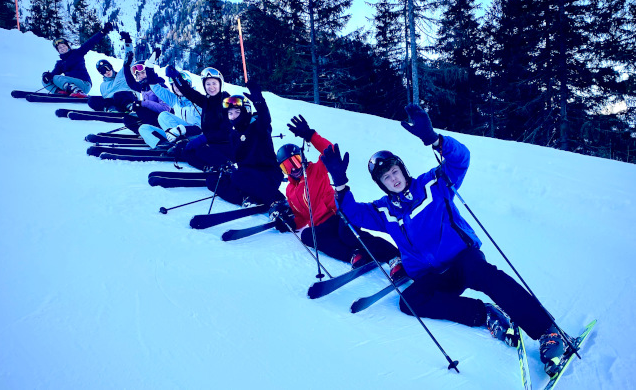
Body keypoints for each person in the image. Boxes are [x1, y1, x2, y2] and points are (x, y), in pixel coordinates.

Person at [321, 103, 567, 375]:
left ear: (402, 169)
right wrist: (340, 183)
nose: (393, 179)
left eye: (394, 172)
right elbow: (352, 214)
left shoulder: (433, 184)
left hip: (463, 259)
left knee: (484, 274)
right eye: (386, 178)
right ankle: (485, 314)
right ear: (381, 184)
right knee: (409, 301)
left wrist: (435, 140)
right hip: (433, 275)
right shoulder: (384, 211)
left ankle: (547, 332)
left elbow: (461, 160)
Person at [277, 115, 403, 272]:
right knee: (308, 236)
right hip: (321, 226)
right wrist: (290, 223)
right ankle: (354, 254)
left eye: (295, 162)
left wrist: (311, 136)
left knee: (347, 235)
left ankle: (394, 256)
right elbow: (302, 217)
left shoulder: (315, 170)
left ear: (302, 158)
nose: (294, 169)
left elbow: (330, 151)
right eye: (287, 167)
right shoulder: (290, 191)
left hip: (338, 215)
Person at [204, 83, 287, 212]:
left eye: (237, 112)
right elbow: (237, 158)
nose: (233, 116)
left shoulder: (257, 127)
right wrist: (225, 165)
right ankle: (247, 198)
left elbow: (265, 119)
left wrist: (259, 102)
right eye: (230, 114)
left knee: (238, 176)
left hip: (268, 174)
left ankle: (276, 199)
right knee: (213, 180)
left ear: (246, 112)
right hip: (248, 175)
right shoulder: (233, 134)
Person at [164, 66, 233, 167]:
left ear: (220, 84)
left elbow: (226, 130)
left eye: (214, 83)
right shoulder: (206, 101)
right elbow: (188, 92)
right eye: (208, 84)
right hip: (211, 142)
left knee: (201, 150)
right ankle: (209, 168)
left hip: (226, 143)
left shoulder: (227, 102)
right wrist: (176, 77)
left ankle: (227, 166)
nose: (211, 87)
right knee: (188, 152)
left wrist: (204, 138)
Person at [137, 65, 203, 149]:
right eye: (174, 85)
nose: (177, 87)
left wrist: (181, 130)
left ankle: (180, 144)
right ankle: (163, 146)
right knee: (143, 128)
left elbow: (200, 129)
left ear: (188, 85)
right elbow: (155, 88)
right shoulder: (175, 99)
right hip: (175, 134)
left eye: (179, 85)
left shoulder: (197, 100)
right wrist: (149, 68)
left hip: (194, 137)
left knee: (164, 115)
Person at [42, 22, 114, 97]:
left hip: (84, 84)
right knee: (45, 81)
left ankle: (77, 91)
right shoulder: (60, 64)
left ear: (67, 46)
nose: (62, 48)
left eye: (63, 46)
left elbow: (90, 42)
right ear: (58, 51)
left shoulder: (77, 53)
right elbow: (52, 76)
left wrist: (103, 31)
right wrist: (46, 75)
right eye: (60, 48)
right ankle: (60, 92)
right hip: (71, 85)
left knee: (56, 78)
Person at [87, 31, 139, 112]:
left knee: (118, 95)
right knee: (92, 100)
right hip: (115, 103)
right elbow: (106, 99)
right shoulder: (103, 86)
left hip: (129, 98)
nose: (106, 72)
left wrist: (128, 42)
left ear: (111, 67)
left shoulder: (123, 74)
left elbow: (129, 59)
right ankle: (111, 109)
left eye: (107, 68)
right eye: (103, 71)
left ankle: (131, 108)